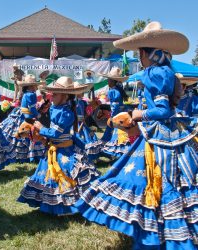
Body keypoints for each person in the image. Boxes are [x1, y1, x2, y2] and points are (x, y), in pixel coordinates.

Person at [75, 22, 198, 249]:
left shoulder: (154, 73)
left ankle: (157, 233)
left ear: (145, 53)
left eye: (139, 54)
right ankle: (166, 230)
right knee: (170, 184)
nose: (138, 59)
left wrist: (137, 113)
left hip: (158, 138)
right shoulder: (166, 71)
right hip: (167, 134)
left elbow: (161, 111)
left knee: (153, 182)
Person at [18, 76, 100, 215]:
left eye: (55, 93)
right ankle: (50, 203)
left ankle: (67, 206)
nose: (52, 95)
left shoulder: (67, 113)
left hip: (65, 151)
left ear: (65, 96)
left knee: (64, 177)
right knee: (47, 176)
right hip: (53, 149)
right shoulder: (54, 108)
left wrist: (41, 127)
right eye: (52, 92)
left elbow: (56, 133)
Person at [0, 74, 46, 162]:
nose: (36, 87)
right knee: (31, 133)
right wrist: (37, 114)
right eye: (35, 85)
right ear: (31, 86)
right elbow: (32, 108)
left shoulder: (26, 94)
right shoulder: (31, 95)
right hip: (28, 116)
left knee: (23, 133)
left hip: (23, 114)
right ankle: (30, 155)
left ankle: (16, 153)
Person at [99, 67, 136, 158]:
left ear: (113, 81)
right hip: (122, 115)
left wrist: (112, 116)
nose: (108, 81)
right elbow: (122, 104)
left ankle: (113, 152)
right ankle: (122, 152)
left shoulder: (112, 91)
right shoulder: (119, 90)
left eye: (109, 80)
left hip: (116, 116)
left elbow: (114, 106)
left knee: (113, 134)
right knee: (121, 134)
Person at [74, 82, 102, 162]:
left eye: (83, 90)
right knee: (81, 138)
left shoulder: (83, 102)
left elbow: (88, 111)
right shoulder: (73, 102)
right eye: (80, 91)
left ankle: (92, 157)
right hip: (76, 124)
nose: (82, 92)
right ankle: (81, 157)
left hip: (83, 123)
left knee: (91, 136)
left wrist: (92, 107)